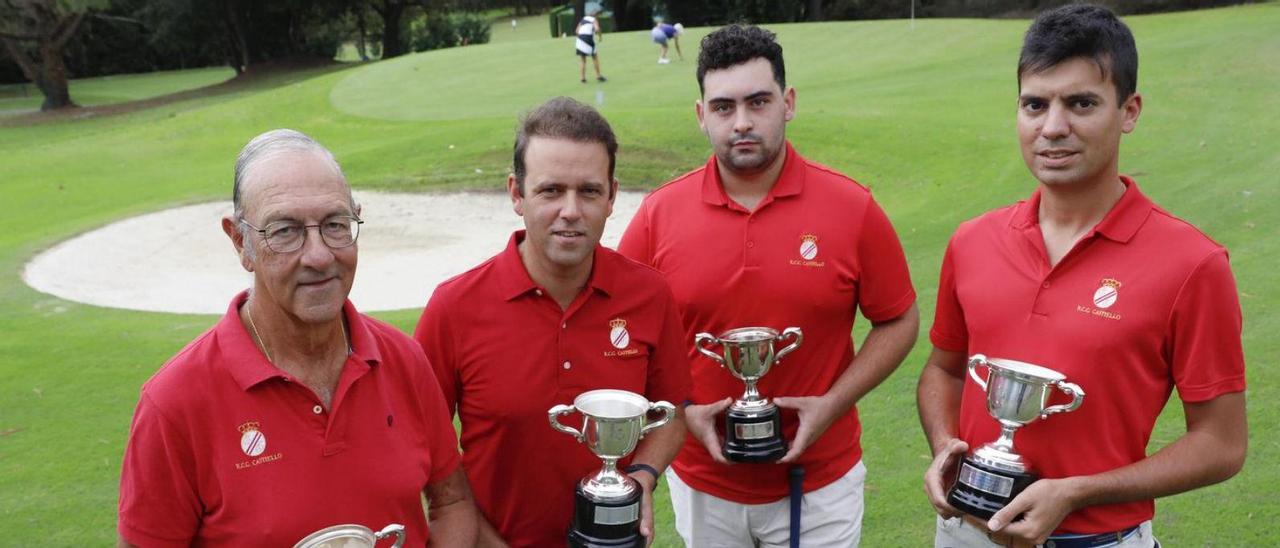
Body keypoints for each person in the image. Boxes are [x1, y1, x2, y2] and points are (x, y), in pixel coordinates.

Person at [918, 5, 1247, 547]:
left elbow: (1222, 443)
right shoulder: (972, 241)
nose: (1052, 128)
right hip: (963, 534)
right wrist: (945, 445)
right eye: (1035, 104)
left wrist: (1077, 491)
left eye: (1081, 103)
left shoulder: (1193, 264)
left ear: (1129, 110)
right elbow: (945, 372)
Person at [618, 25, 919, 546]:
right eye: (723, 107)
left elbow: (898, 319)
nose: (742, 123)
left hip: (821, 483)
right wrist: (683, 414)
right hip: (703, 483)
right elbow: (620, 329)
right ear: (700, 115)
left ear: (789, 102)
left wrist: (833, 403)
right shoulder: (658, 215)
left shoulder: (851, 207)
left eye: (759, 102)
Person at [116, 130, 478, 547]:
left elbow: (451, 500)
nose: (320, 255)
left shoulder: (403, 358)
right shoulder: (175, 403)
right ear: (241, 242)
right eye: (285, 231)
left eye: (335, 225)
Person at [414, 97, 691, 548]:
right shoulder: (454, 307)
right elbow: (425, 454)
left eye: (588, 191)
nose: (570, 210)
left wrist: (641, 477)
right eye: (550, 190)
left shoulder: (650, 294)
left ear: (612, 197)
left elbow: (671, 413)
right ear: (516, 194)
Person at [575, 10, 607, 83]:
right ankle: (598, 76)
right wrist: (600, 36)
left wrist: (581, 38)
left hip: (579, 40)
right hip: (588, 39)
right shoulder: (594, 20)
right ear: (596, 15)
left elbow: (576, 31)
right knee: (595, 57)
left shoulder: (583, 19)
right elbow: (597, 29)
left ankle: (582, 78)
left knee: (583, 60)